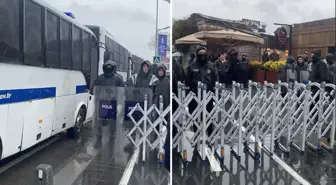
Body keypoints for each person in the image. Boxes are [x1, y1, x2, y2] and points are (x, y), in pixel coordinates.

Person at [186, 46, 218, 135]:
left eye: (204, 53)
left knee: (209, 115)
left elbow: (216, 80)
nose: (202, 55)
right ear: (197, 54)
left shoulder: (211, 66)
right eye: (200, 53)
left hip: (208, 95)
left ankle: (210, 135)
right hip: (195, 96)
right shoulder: (191, 66)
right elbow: (188, 82)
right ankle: (196, 135)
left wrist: (215, 94)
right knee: (196, 116)